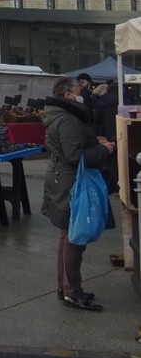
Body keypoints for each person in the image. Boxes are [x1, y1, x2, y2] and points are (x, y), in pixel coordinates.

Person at [41, 76, 115, 312]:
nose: (82, 92)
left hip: (62, 180)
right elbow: (74, 156)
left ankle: (67, 288)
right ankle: (72, 291)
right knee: (75, 238)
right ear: (67, 95)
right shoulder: (68, 119)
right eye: (78, 90)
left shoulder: (60, 116)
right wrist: (102, 150)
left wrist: (94, 141)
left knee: (68, 236)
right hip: (72, 183)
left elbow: (72, 148)